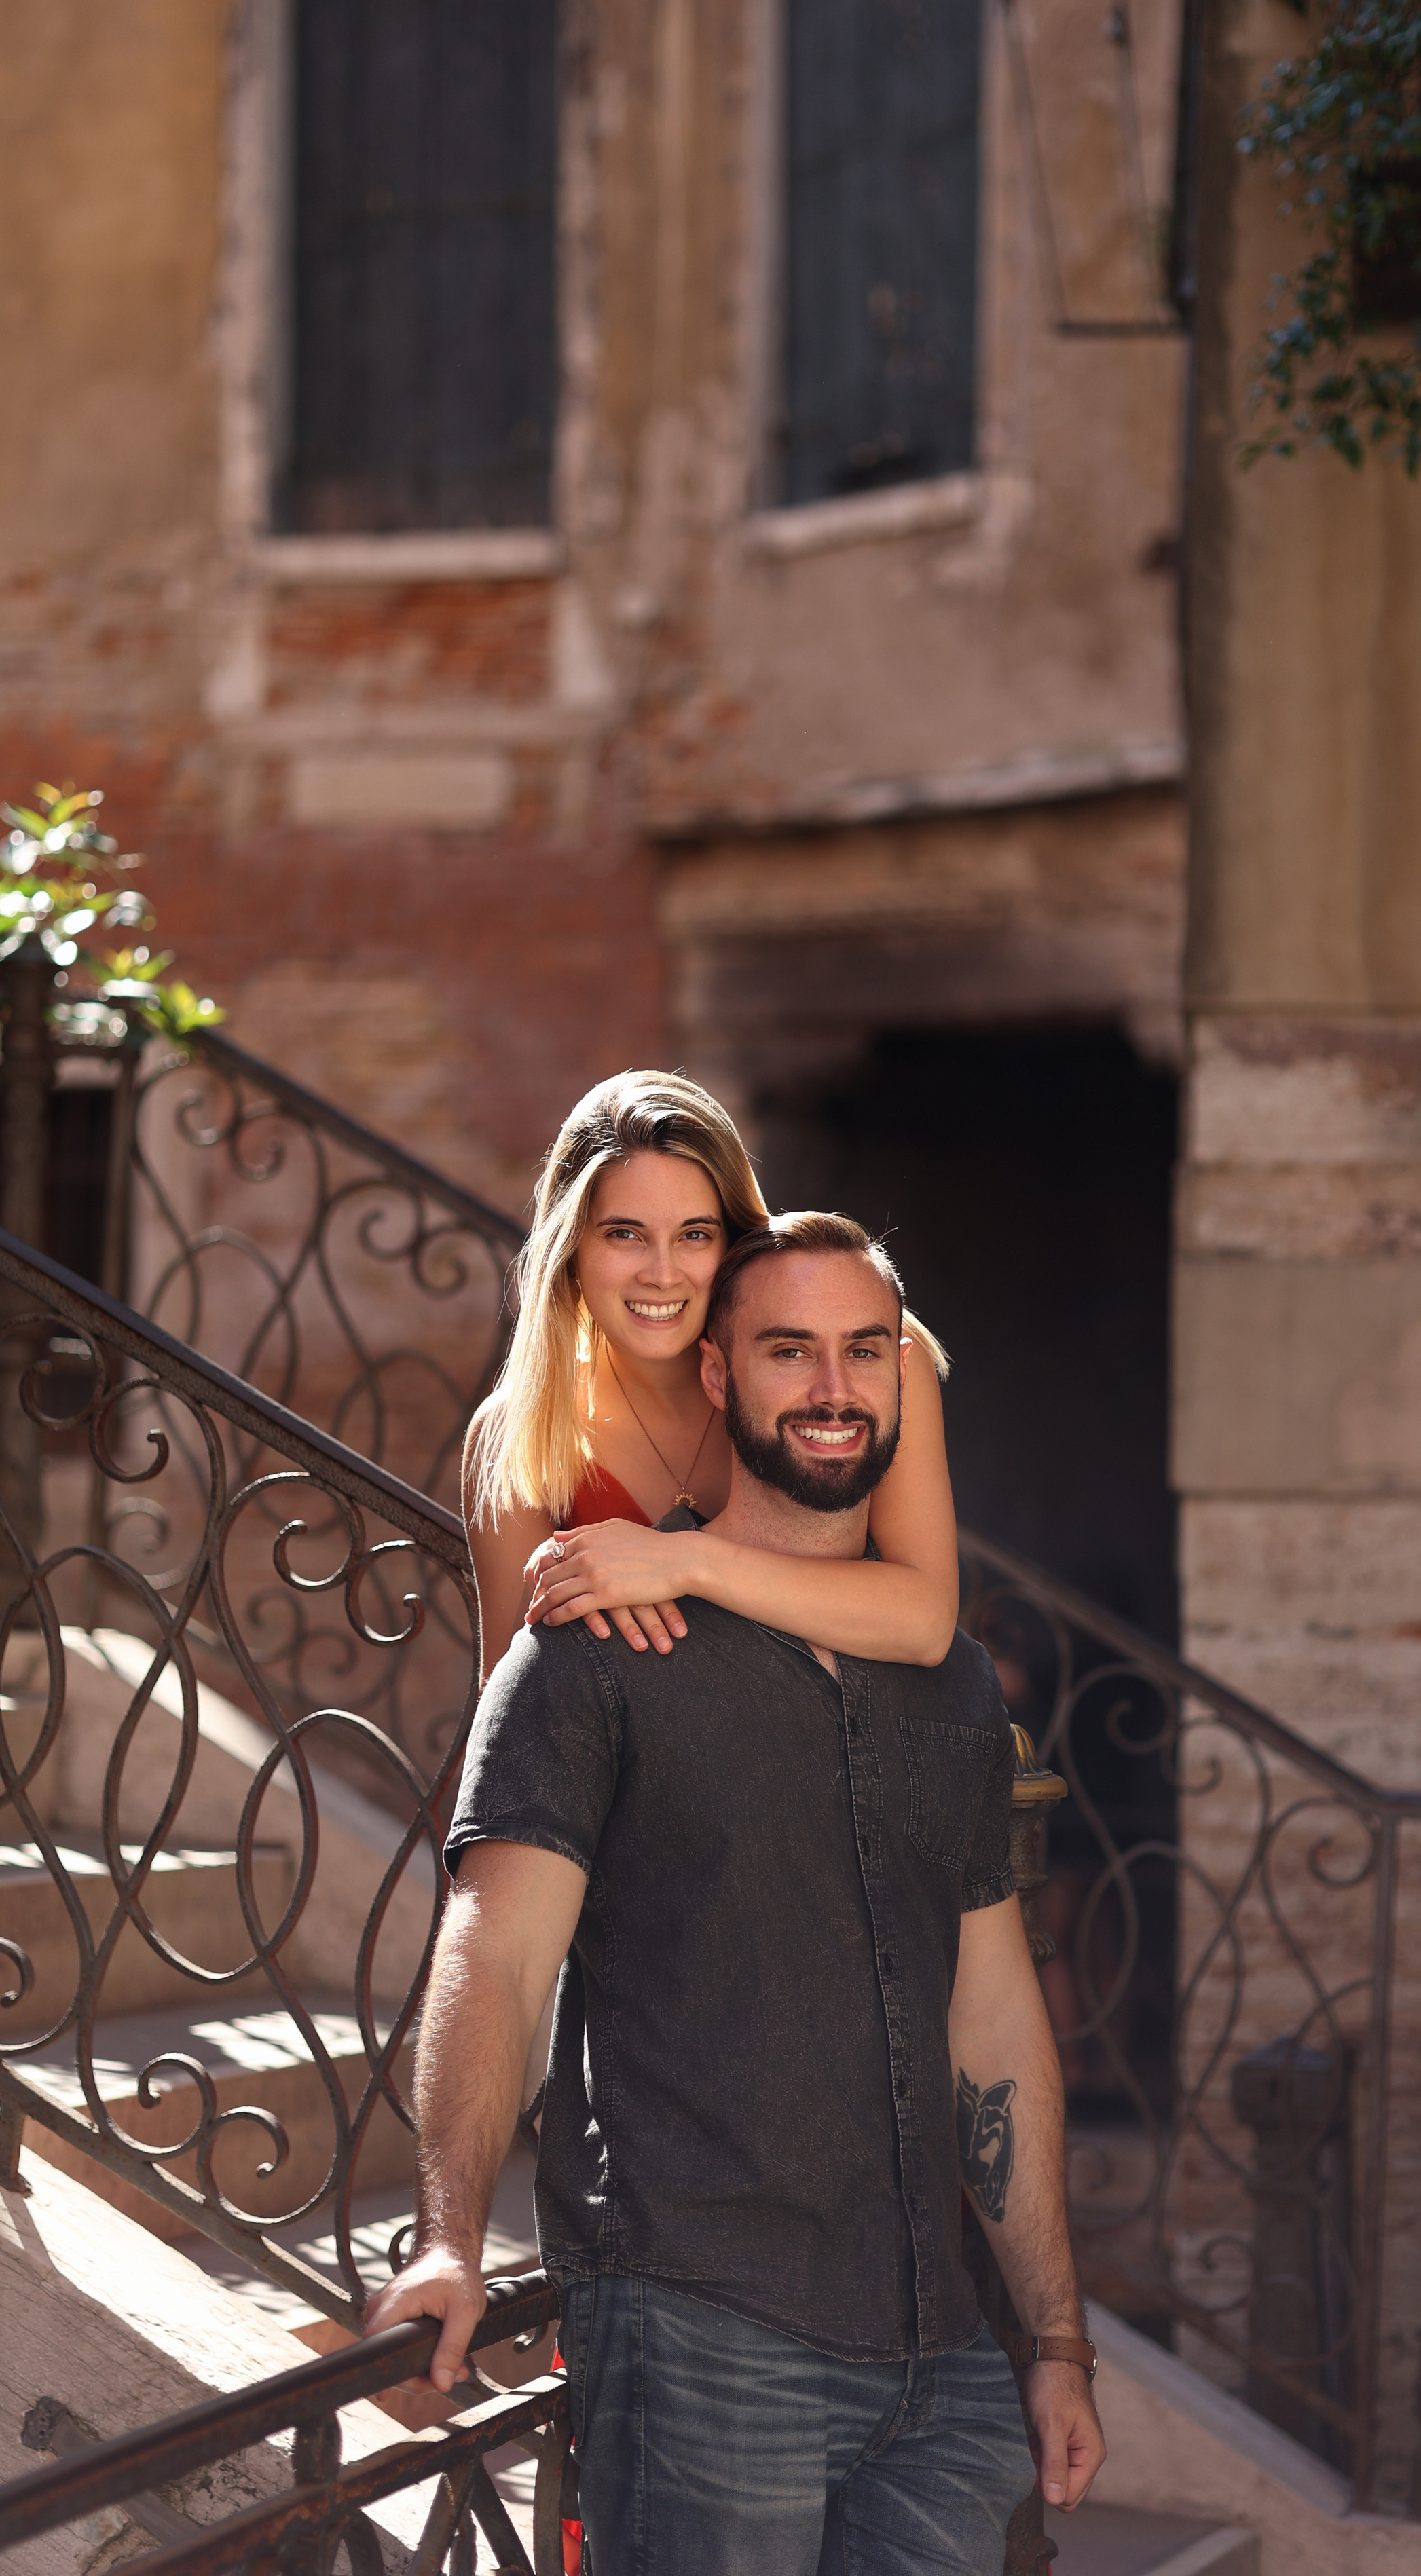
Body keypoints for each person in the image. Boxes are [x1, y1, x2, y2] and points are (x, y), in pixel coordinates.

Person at [368, 1212, 1105, 2575]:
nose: (831, 1389)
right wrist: (446, 2237)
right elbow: (500, 1956)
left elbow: (993, 2021)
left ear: (900, 1377)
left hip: (940, 2372)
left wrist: (1051, 2338)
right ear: (718, 1378)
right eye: (787, 1351)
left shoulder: (947, 1684)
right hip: (704, 2332)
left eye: (861, 1353)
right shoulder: (594, 1649)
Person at [463, 1070, 959, 1685]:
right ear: (572, 1249)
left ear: (735, 1237)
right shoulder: (517, 1433)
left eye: (695, 1234)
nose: (662, 1274)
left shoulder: (864, 1367)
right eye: (625, 1235)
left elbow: (927, 1622)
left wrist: (684, 1561)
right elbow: (513, 1706)